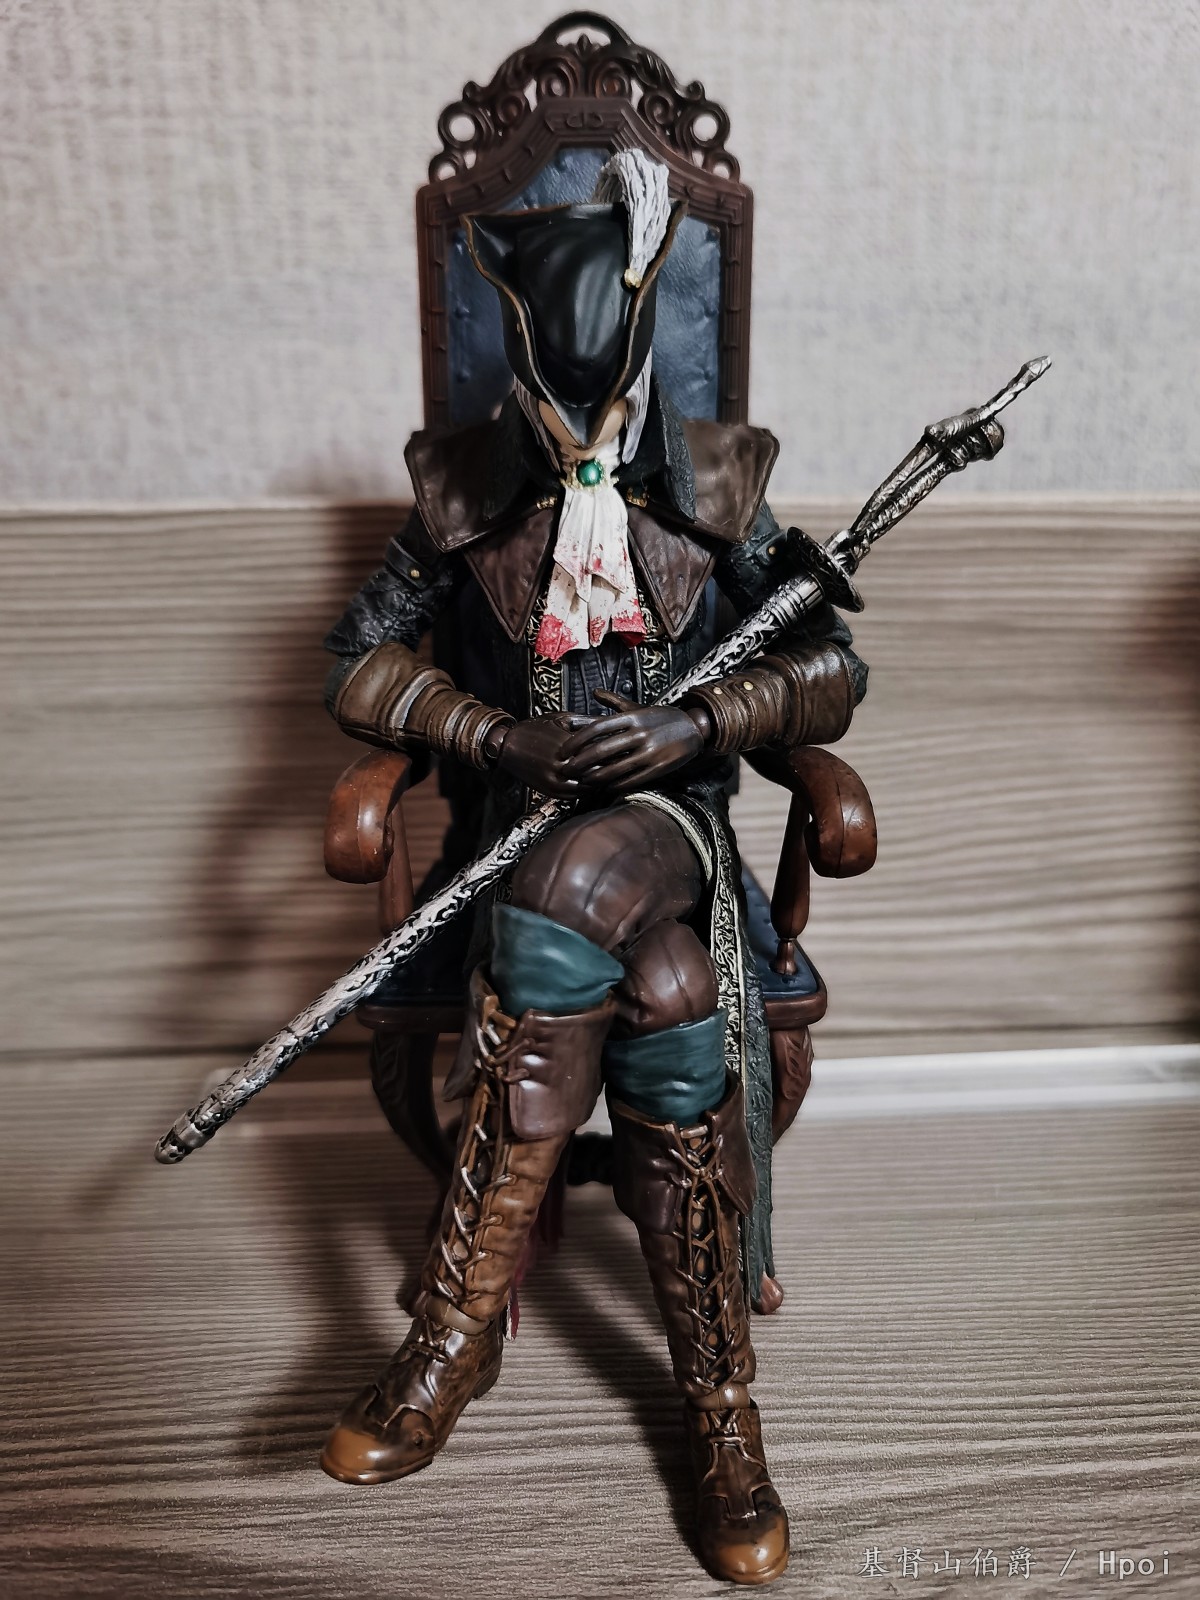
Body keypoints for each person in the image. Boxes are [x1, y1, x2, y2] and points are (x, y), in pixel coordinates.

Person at [317, 150, 866, 1586]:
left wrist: (701, 722)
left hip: (672, 833)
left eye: (596, 383)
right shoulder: (461, 489)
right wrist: (490, 728)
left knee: (572, 900)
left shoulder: (723, 482)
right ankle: (720, 1401)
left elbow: (832, 669)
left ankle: (450, 1336)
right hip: (508, 827)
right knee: (668, 1000)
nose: (573, 416)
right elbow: (355, 661)